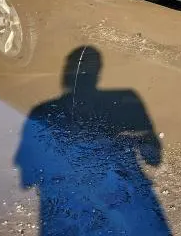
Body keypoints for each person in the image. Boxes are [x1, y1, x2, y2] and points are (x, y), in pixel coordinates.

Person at [14, 46, 170, 235]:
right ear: (98, 73)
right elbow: (153, 158)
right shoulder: (127, 99)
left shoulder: (42, 112)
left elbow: (27, 177)